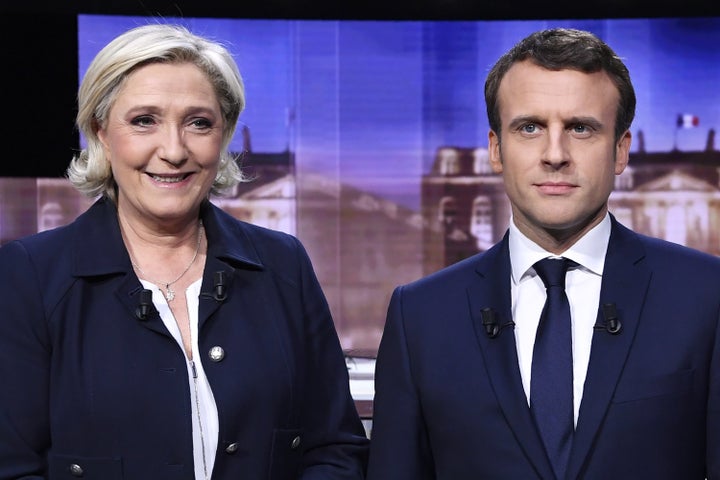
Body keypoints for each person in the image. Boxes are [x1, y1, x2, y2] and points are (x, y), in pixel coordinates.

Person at [0, 23, 368, 479]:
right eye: (143, 121)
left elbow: (334, 447)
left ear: (225, 134)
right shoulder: (30, 275)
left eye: (199, 123)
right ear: (100, 132)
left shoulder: (282, 263)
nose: (173, 150)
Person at [367, 27, 720, 479]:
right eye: (529, 127)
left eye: (581, 128)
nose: (555, 154)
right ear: (497, 149)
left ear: (620, 150)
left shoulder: (705, 297)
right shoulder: (420, 316)